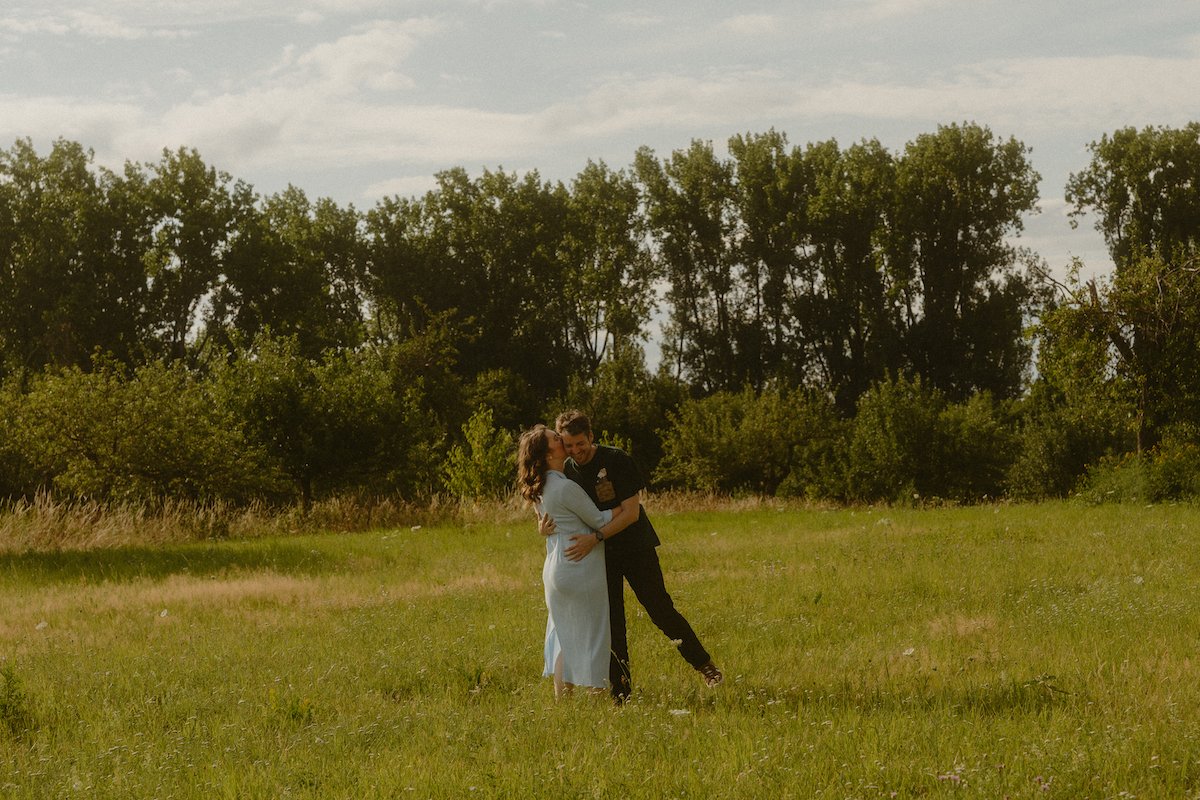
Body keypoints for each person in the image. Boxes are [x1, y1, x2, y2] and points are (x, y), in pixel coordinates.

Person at [540, 410, 722, 702]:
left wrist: (596, 536)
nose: (575, 451)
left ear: (591, 436)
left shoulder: (617, 460)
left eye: (580, 443)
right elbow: (553, 506)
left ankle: (705, 666)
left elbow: (631, 513)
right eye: (569, 445)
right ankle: (621, 694)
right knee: (612, 624)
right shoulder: (567, 471)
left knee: (660, 609)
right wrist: (543, 527)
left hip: (635, 547)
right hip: (600, 557)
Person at [517, 424, 628, 698]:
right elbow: (598, 520)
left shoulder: (539, 487)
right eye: (556, 439)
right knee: (593, 634)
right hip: (578, 566)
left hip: (555, 566)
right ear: (548, 453)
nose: (562, 440)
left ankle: (562, 700)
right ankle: (596, 695)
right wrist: (626, 507)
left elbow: (548, 522)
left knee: (561, 635)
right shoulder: (565, 487)